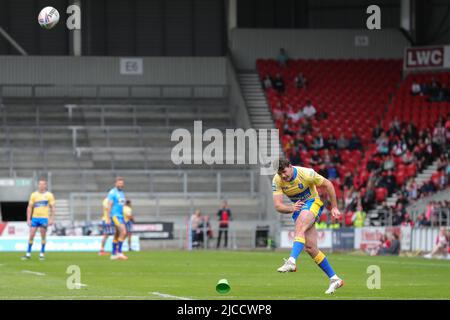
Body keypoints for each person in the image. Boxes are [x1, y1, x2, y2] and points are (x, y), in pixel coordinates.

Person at [272, 159, 344, 294]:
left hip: (313, 202)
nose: (283, 176)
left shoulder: (306, 174)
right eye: (280, 173)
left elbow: (328, 184)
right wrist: (291, 208)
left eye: (285, 172)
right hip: (298, 208)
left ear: (290, 166)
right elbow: (278, 206)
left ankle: (291, 261)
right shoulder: (277, 180)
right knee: (310, 248)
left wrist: (334, 206)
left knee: (300, 225)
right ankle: (335, 279)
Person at [22, 178, 56, 260]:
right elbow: (29, 207)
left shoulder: (49, 195)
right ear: (38, 185)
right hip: (35, 218)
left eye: (43, 184)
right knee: (31, 234)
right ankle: (28, 253)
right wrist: (28, 219)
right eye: (40, 184)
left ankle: (42, 253)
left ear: (45, 185)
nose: (41, 185)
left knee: (43, 235)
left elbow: (53, 208)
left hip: (44, 218)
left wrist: (52, 219)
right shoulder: (34, 195)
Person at [107, 177, 128, 260]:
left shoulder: (122, 193)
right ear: (116, 184)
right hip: (115, 216)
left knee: (117, 234)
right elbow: (109, 205)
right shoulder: (112, 192)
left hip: (121, 216)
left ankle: (113, 254)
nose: (120, 185)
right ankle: (119, 252)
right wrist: (108, 217)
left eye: (121, 183)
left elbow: (121, 205)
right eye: (119, 183)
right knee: (123, 232)